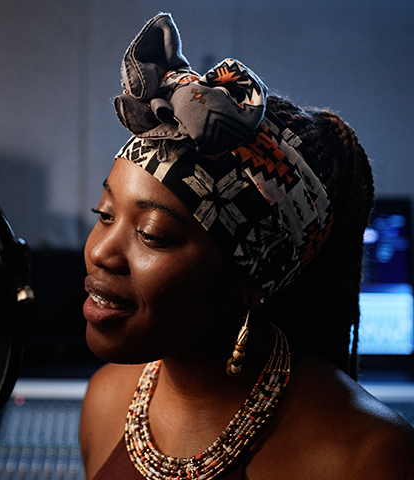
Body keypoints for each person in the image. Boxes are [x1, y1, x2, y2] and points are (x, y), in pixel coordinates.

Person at [79, 13, 414, 480]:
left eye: (152, 234)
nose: (100, 252)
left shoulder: (369, 459)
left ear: (253, 274)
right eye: (105, 215)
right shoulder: (105, 403)